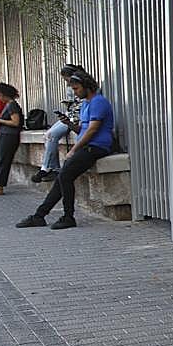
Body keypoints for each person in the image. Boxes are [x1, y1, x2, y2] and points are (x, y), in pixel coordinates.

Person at [15, 69, 114, 231]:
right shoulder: (86, 104)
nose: (75, 92)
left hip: (96, 147)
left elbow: (92, 130)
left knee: (65, 176)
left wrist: (74, 149)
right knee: (62, 178)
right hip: (87, 146)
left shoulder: (98, 102)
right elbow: (82, 129)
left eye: (76, 88)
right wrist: (68, 123)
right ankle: (39, 215)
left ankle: (68, 217)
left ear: (87, 86)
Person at [32, 64, 86, 182]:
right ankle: (54, 168)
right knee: (47, 135)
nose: (68, 83)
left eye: (67, 80)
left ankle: (46, 168)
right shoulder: (71, 86)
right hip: (70, 114)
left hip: (76, 117)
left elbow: (82, 103)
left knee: (51, 135)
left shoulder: (84, 86)